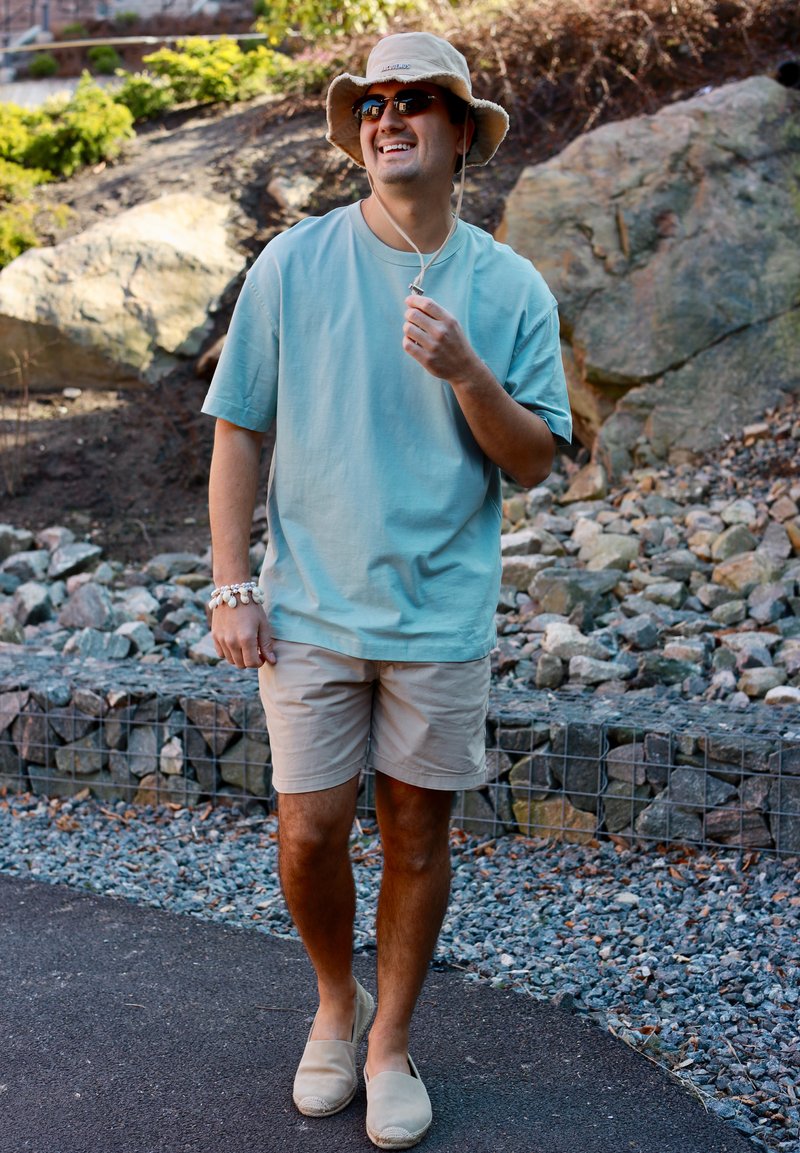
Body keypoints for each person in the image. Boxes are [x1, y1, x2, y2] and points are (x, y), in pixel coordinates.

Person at [202, 30, 572, 1150]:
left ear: (461, 135)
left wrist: (468, 373)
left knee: (415, 836)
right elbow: (236, 432)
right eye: (371, 103)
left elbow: (533, 461)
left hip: (438, 614)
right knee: (309, 833)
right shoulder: (292, 264)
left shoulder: (507, 288)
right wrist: (230, 587)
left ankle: (389, 1042)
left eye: (416, 101)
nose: (386, 117)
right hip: (308, 606)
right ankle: (335, 1001)